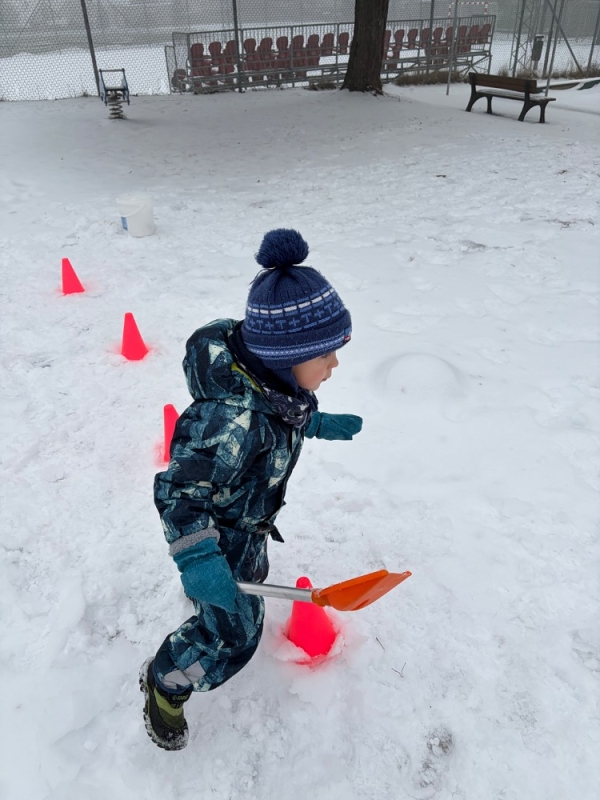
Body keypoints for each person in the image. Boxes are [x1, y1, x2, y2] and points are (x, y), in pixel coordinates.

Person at [140, 229, 363, 750]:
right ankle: (167, 679)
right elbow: (178, 493)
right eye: (326, 356)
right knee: (232, 635)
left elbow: (279, 412)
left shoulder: (272, 382)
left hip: (246, 524)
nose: (335, 365)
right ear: (288, 356)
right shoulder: (228, 423)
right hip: (216, 531)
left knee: (244, 580)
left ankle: (215, 590)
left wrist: (316, 423)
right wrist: (199, 559)